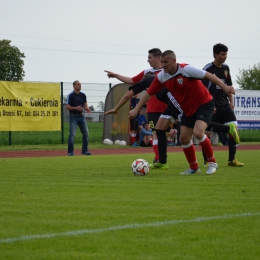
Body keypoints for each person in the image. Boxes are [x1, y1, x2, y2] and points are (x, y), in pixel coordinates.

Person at [129, 50, 235, 175]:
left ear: (174, 61)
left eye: (166, 62)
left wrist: (225, 87)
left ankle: (212, 162)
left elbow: (209, 75)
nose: (163, 65)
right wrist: (136, 109)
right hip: (187, 108)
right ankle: (194, 168)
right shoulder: (162, 76)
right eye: (162, 62)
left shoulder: (186, 69)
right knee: (184, 138)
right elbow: (149, 93)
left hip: (204, 103)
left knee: (198, 132)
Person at [104, 48, 167, 162]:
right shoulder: (147, 73)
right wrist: (116, 75)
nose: (148, 60)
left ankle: (160, 158)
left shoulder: (167, 71)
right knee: (156, 133)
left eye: (150, 57)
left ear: (158, 57)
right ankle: (159, 158)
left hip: (168, 107)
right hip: (153, 109)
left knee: (164, 134)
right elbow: (132, 80)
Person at [202, 43, 244, 167]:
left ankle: (232, 159)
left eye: (226, 54)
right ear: (215, 55)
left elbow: (229, 87)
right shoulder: (208, 69)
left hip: (225, 105)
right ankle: (207, 160)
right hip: (211, 106)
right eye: (222, 54)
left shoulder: (226, 68)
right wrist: (209, 104)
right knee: (206, 133)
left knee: (233, 129)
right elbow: (203, 90)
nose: (224, 57)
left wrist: (231, 101)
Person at [66, 80, 92, 156]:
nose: (80, 86)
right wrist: (75, 108)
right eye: (78, 84)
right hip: (73, 117)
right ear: (74, 86)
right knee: (72, 134)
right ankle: (70, 151)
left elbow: (85, 104)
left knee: (86, 133)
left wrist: (87, 108)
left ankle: (85, 150)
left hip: (81, 116)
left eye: (80, 84)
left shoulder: (83, 95)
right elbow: (67, 107)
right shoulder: (70, 95)